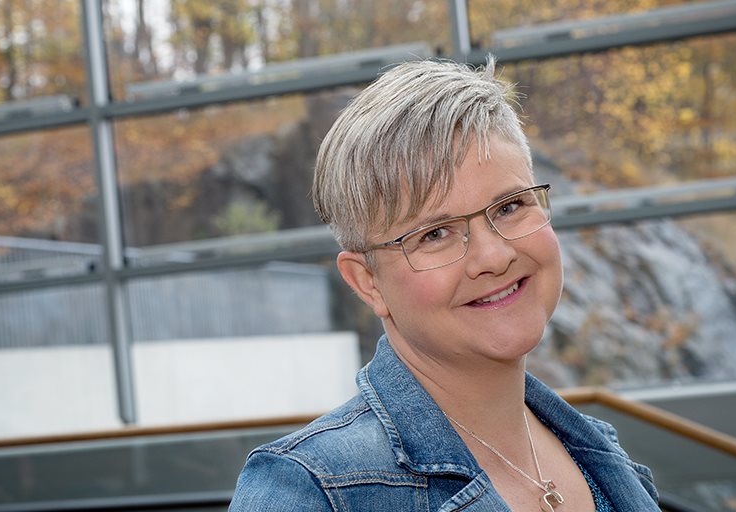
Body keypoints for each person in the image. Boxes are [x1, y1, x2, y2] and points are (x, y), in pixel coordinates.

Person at [230, 58, 659, 511]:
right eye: (435, 234)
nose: (494, 257)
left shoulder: (603, 456)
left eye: (510, 206)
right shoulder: (310, 492)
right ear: (368, 282)